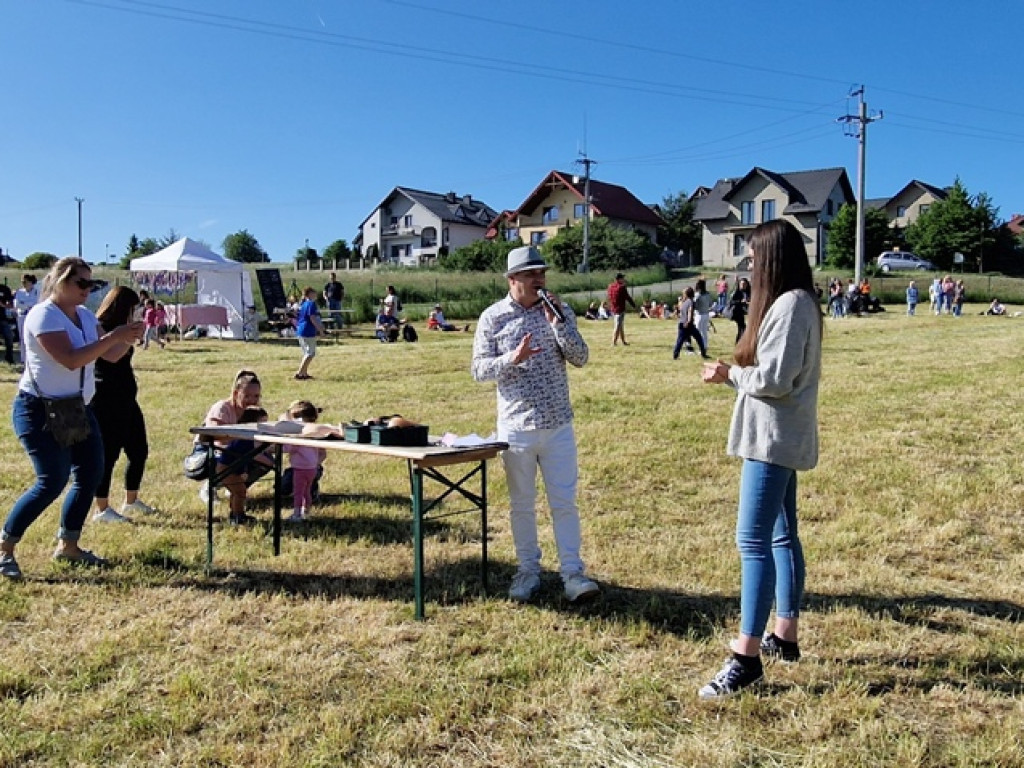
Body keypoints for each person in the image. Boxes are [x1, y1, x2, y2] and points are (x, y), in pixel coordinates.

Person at [698, 220, 822, 698]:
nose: (749, 264)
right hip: (778, 438)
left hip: (771, 442)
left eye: (753, 257)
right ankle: (783, 637)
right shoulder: (794, 303)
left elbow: (774, 379)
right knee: (781, 535)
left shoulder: (791, 305)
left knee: (752, 542)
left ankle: (745, 658)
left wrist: (730, 374)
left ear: (771, 258)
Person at [1, 257, 144, 580]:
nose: (87, 290)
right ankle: (5, 548)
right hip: (39, 409)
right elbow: (70, 359)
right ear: (60, 281)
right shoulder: (42, 315)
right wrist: (114, 335)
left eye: (91, 285)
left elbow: (109, 356)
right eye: (81, 283)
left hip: (78, 408)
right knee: (51, 480)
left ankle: (69, 545)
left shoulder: (82, 316)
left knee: (90, 474)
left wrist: (129, 337)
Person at [471, 245, 599, 603]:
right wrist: (513, 357)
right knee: (522, 505)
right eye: (531, 274)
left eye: (542, 273)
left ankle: (573, 575)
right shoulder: (493, 318)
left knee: (564, 503)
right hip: (516, 428)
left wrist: (560, 326)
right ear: (513, 280)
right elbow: (479, 370)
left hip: (558, 424)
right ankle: (528, 572)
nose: (539, 280)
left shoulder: (559, 310)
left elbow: (581, 357)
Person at [91, 286, 158, 523]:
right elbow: (111, 355)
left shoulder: (125, 330)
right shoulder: (100, 327)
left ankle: (131, 500)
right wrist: (130, 338)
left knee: (139, 450)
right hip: (107, 398)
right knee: (109, 454)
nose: (137, 312)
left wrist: (132, 335)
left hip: (127, 396)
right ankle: (102, 508)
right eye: (133, 308)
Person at [198, 369, 272, 524]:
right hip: (217, 455)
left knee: (239, 491)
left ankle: (236, 512)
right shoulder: (223, 408)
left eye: (256, 396)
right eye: (247, 396)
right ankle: (235, 513)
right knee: (240, 491)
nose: (252, 400)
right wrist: (271, 463)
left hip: (236, 460)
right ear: (236, 393)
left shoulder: (254, 413)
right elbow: (212, 436)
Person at [282, 400, 327, 522]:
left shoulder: (299, 437)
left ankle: (297, 513)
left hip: (300, 469)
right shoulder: (315, 435)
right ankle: (306, 510)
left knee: (298, 492)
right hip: (312, 468)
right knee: (307, 491)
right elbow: (323, 453)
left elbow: (288, 448)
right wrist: (316, 463)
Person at [294, 287, 325, 380]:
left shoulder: (303, 304)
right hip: (307, 331)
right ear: (310, 294)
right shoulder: (311, 304)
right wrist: (320, 330)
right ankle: (299, 373)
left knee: (306, 353)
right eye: (314, 292)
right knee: (310, 353)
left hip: (301, 330)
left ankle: (304, 373)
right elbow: (312, 318)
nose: (315, 294)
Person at [673, 287, 709, 359]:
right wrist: (689, 321)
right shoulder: (691, 302)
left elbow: (680, 310)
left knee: (680, 340)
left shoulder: (683, 302)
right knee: (699, 338)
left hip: (682, 323)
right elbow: (690, 311)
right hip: (688, 324)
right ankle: (703, 353)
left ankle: (675, 355)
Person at [14, 274, 40, 364]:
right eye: (22, 282)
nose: (23, 283)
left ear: (31, 282)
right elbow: (17, 304)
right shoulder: (19, 292)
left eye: (25, 281)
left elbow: (36, 304)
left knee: (33, 338)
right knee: (22, 338)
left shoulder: (37, 292)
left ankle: (32, 359)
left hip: (33, 317)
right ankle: (23, 359)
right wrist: (28, 305)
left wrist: (24, 303)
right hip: (22, 316)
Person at [607, 272, 636, 346]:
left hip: (613, 308)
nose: (623, 279)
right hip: (620, 309)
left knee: (620, 325)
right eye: (622, 278)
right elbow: (627, 297)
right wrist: (634, 305)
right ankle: (613, 342)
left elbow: (609, 297)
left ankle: (623, 341)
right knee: (617, 325)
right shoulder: (622, 287)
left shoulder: (610, 286)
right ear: (619, 279)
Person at [693, 278, 713, 349]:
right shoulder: (708, 294)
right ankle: (705, 346)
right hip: (706, 314)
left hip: (699, 315)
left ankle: (700, 347)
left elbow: (695, 305)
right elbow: (710, 303)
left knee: (698, 332)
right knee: (704, 332)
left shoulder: (697, 295)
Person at [730, 277, 751, 341]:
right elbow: (732, 302)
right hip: (736, 312)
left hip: (743, 312)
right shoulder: (737, 292)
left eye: (744, 284)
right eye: (741, 284)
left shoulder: (748, 292)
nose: (743, 285)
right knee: (742, 327)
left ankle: (739, 341)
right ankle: (739, 342)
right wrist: (741, 301)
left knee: (742, 328)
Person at [0, 280, 14, 366]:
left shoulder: (4, 289)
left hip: (2, 319)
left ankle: (9, 357)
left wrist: (4, 305)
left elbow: (11, 304)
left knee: (9, 337)